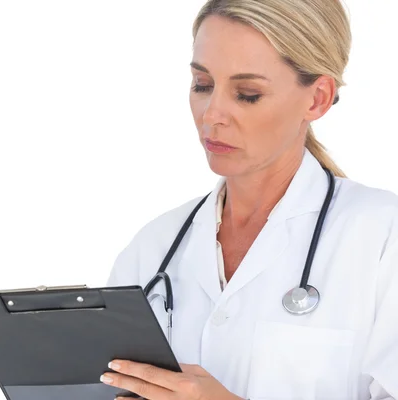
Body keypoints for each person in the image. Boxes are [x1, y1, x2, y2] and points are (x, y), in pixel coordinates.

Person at [99, 1, 398, 399]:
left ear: (318, 99)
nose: (212, 114)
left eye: (247, 94)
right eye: (202, 85)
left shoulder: (382, 238)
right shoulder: (153, 248)